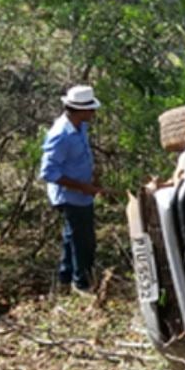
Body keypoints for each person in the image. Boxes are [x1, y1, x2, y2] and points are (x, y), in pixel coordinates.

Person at [40, 85, 105, 295]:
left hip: (82, 194)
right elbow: (48, 172)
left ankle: (65, 277)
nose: (94, 113)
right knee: (83, 240)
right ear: (79, 110)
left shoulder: (80, 126)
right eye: (90, 109)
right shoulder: (60, 135)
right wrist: (81, 186)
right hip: (70, 196)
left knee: (72, 235)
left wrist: (91, 178)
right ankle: (82, 283)